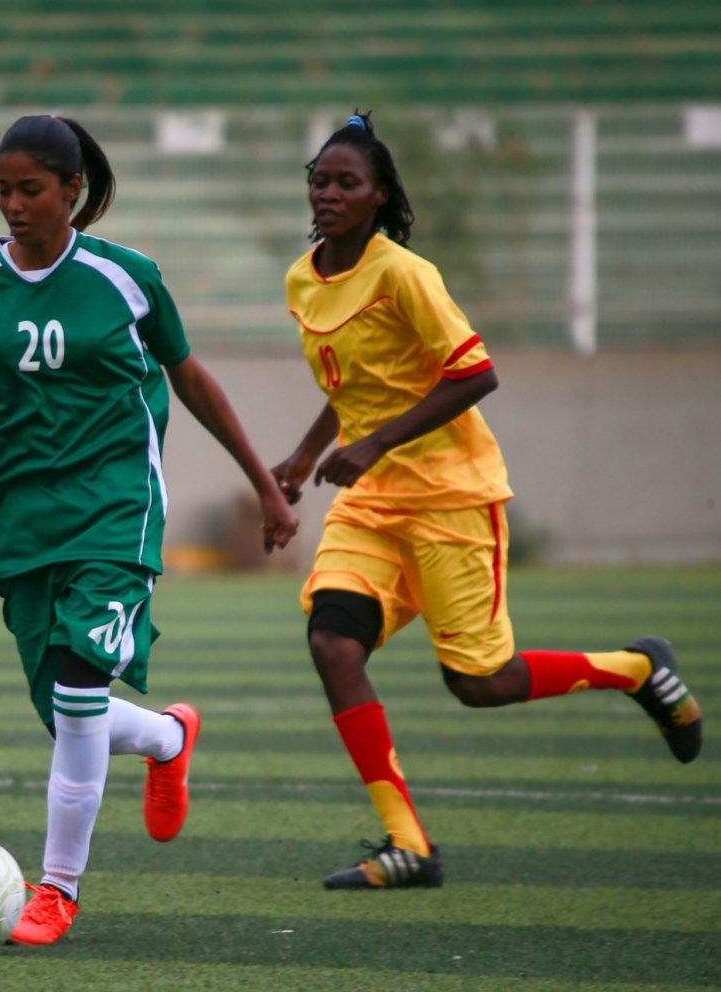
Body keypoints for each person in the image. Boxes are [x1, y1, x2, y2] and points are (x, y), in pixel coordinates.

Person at [272, 112, 704, 891]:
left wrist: (374, 445)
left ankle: (636, 669)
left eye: (347, 182)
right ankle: (409, 845)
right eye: (320, 180)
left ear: (378, 196)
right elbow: (354, 385)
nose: (330, 193)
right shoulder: (303, 277)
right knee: (333, 644)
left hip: (449, 498)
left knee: (479, 682)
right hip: (373, 507)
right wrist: (306, 455)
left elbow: (475, 375)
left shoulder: (406, 273)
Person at [0, 114, 298, 946]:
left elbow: (190, 378)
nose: (13, 204)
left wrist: (265, 484)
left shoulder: (127, 277)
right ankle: (165, 736)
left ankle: (58, 891)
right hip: (21, 520)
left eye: (30, 189)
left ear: (73, 190)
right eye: (2, 189)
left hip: (116, 507)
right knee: (67, 714)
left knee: (80, 692)